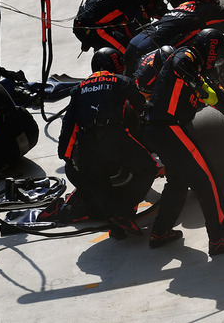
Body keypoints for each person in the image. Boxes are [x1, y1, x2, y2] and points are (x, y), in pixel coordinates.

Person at [143, 28, 224, 255]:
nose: (216, 62)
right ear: (210, 49)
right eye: (216, 56)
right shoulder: (186, 56)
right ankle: (219, 238)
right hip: (168, 127)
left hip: (161, 129)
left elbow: (218, 97)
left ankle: (160, 232)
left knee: (177, 181)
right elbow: (180, 66)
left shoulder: (197, 68)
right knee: (207, 179)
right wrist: (198, 85)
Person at [58, 48, 159, 238]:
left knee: (98, 184)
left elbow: (68, 124)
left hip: (87, 144)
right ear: (116, 65)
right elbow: (143, 113)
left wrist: (65, 153)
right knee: (149, 168)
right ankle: (123, 214)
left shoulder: (78, 89)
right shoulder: (122, 81)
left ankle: (117, 224)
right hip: (114, 138)